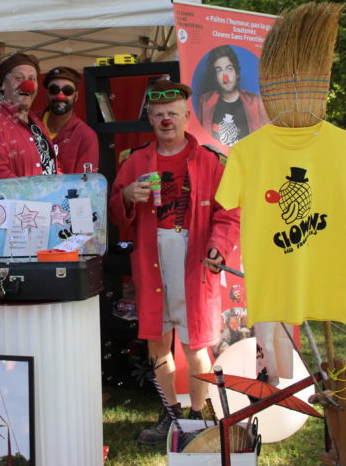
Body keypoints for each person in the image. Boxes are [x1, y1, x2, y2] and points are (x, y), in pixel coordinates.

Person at [108, 80, 240, 445]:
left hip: (195, 256)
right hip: (151, 257)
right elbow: (117, 212)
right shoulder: (134, 161)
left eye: (173, 113)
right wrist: (128, 197)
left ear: (187, 116)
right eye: (159, 114)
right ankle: (170, 415)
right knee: (156, 340)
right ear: (150, 118)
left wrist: (219, 247)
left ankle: (197, 417)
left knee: (196, 342)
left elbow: (229, 214)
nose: (166, 119)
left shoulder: (212, 161)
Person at [0, 53, 58, 182]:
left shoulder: (37, 123)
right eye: (19, 78)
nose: (27, 84)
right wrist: (38, 198)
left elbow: (53, 168)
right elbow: (0, 180)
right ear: (3, 85)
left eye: (32, 79)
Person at [197, 46, 268, 147]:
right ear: (215, 78)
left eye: (229, 69)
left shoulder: (256, 102)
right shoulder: (205, 101)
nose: (225, 77)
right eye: (219, 70)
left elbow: (267, 139)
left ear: (237, 73)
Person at [39, 66, 98, 173]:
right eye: (54, 90)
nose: (60, 96)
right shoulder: (30, 123)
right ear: (46, 94)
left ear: (76, 96)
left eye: (67, 91)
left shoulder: (86, 136)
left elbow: (86, 183)